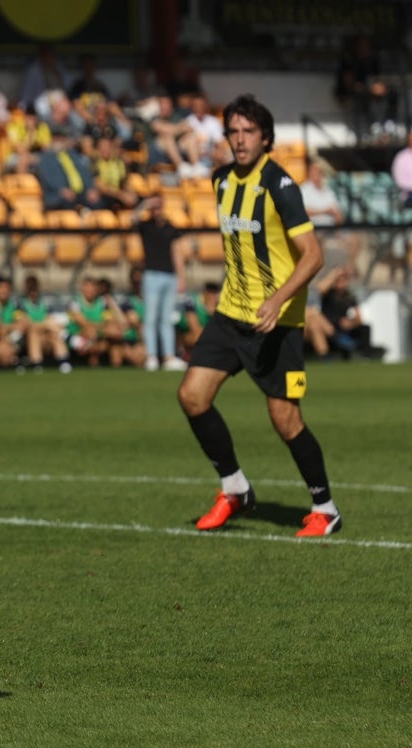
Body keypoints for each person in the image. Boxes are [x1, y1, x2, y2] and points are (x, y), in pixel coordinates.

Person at [176, 95, 341, 538]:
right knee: (192, 396)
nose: (240, 139)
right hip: (230, 315)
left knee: (285, 420)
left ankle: (325, 508)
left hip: (277, 322)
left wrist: (278, 299)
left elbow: (314, 255)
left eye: (249, 131)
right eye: (233, 131)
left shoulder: (280, 186)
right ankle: (235, 489)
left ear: (265, 137)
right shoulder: (221, 180)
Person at [131, 195, 188, 371]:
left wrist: (181, 277)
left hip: (169, 276)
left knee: (166, 319)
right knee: (151, 318)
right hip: (152, 275)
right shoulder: (146, 226)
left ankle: (169, 356)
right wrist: (145, 204)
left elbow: (176, 253)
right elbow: (131, 219)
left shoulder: (170, 228)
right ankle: (152, 356)